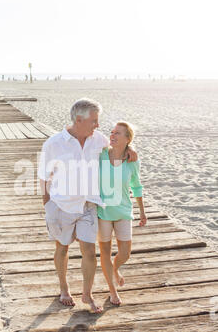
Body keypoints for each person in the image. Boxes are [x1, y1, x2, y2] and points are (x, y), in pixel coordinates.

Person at [38, 99, 138, 313]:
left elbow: (118, 148)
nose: (98, 125)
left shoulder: (98, 140)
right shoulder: (54, 144)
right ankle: (64, 289)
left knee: (89, 252)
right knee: (62, 248)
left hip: (88, 206)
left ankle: (87, 294)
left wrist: (130, 151)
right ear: (79, 120)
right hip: (61, 206)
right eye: (94, 121)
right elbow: (43, 177)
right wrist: (47, 207)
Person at [98, 122, 147, 306]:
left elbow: (137, 186)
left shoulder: (132, 161)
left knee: (125, 253)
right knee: (105, 252)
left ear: (128, 139)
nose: (112, 135)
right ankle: (112, 291)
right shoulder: (101, 154)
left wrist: (142, 212)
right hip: (102, 211)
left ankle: (115, 269)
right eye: (112, 132)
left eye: (117, 133)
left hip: (124, 211)